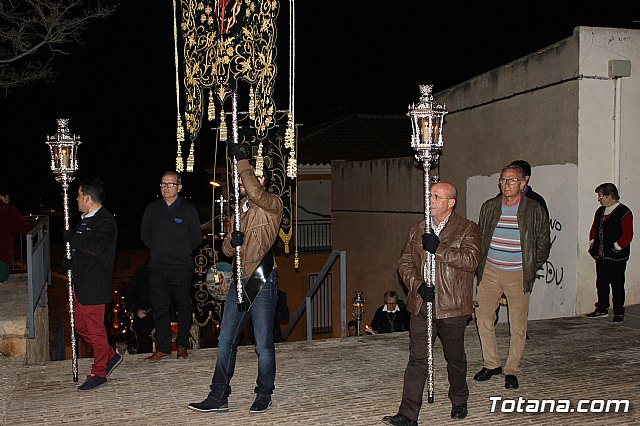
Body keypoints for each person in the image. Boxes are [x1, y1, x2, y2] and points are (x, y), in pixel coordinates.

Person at [189, 143, 283, 415]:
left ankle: (264, 393)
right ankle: (219, 395)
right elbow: (225, 250)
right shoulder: (238, 211)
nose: (242, 183)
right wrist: (233, 241)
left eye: (248, 178)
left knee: (262, 343)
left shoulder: (272, 204)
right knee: (226, 338)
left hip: (262, 278)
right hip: (240, 279)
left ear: (260, 180)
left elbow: (255, 191)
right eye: (241, 179)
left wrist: (241, 159)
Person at [382, 182, 481, 425]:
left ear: (451, 202)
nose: (431, 201)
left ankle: (459, 399)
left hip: (452, 306)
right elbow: (404, 263)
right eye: (429, 196)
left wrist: (439, 248)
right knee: (417, 360)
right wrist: (418, 285)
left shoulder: (467, 229)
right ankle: (408, 414)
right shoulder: (418, 229)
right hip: (422, 305)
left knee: (454, 358)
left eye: (437, 197)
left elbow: (471, 260)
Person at [474, 164, 550, 390]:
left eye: (512, 180)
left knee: (517, 324)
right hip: (490, 271)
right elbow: (480, 236)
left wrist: (529, 267)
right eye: (503, 180)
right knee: (483, 318)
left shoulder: (534, 209)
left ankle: (512, 369)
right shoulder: (489, 206)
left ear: (523, 183)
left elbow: (543, 244)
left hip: (518, 273)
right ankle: (491, 363)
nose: (506, 185)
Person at [63, 177, 122, 391]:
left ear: (87, 198)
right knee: (79, 326)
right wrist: (71, 261)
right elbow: (83, 250)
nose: (77, 199)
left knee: (95, 331)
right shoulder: (85, 219)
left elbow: (96, 247)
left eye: (79, 195)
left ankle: (99, 372)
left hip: (94, 285)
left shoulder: (105, 221)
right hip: (80, 282)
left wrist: (72, 239)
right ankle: (108, 355)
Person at [141, 171, 202, 361]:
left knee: (183, 306)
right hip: (158, 266)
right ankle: (163, 347)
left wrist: (180, 251)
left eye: (170, 184)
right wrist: (161, 250)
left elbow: (196, 238)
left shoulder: (188, 209)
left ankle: (182, 345)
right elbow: (145, 235)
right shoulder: (152, 209)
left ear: (179, 187)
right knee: (159, 307)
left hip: (181, 267)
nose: (166, 188)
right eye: (163, 184)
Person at [586, 183, 633, 323]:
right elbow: (594, 228)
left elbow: (628, 234)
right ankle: (602, 308)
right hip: (601, 255)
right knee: (601, 282)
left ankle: (619, 311)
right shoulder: (600, 211)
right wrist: (592, 242)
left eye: (600, 196)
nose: (599, 199)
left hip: (617, 256)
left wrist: (617, 247)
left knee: (617, 283)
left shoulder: (624, 212)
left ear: (609, 196)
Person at [0, 186, 35, 282]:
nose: (9, 200)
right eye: (8, 198)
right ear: (3, 197)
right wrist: (40, 228)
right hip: (2, 253)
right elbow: (24, 226)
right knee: (2, 276)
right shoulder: (7, 210)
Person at [126, 262, 154, 354]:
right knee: (145, 347)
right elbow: (130, 293)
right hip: (143, 315)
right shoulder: (141, 272)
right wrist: (137, 309)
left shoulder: (166, 270)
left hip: (162, 314)